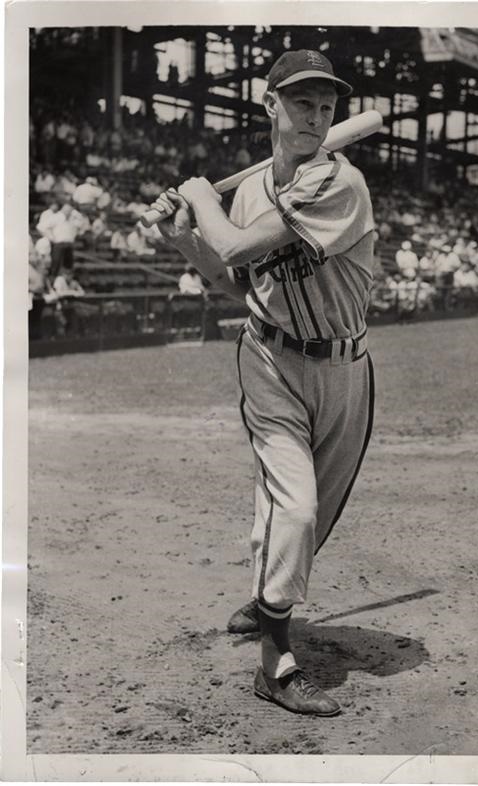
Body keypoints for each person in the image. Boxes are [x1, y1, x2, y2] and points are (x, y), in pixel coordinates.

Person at [151, 50, 375, 717]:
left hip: (346, 368)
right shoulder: (248, 193)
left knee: (311, 519)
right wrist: (181, 233)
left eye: (326, 105)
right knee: (295, 506)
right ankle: (275, 662)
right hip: (270, 360)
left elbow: (238, 249)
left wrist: (195, 194)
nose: (316, 116)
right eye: (301, 102)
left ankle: (265, 596)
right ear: (269, 104)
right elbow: (229, 274)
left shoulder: (341, 181)